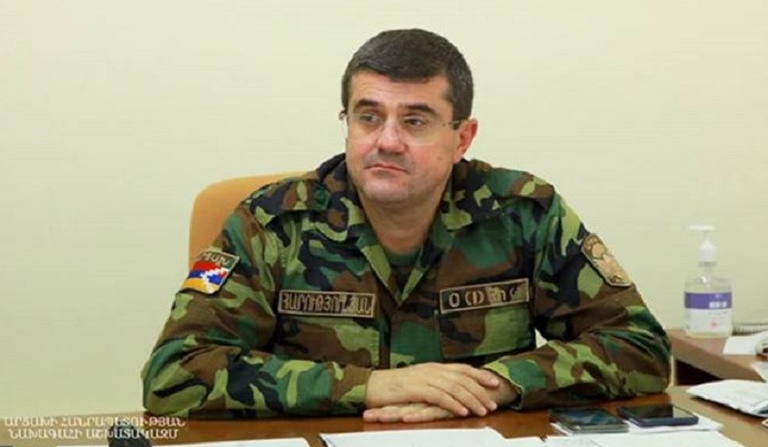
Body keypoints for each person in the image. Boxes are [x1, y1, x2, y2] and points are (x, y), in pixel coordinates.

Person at [141, 28, 671, 422]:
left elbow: (640, 347)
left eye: (415, 121)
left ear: (462, 138)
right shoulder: (273, 222)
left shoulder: (523, 213)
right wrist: (371, 386)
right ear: (347, 122)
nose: (387, 141)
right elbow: (175, 372)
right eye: (368, 117)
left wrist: (499, 383)